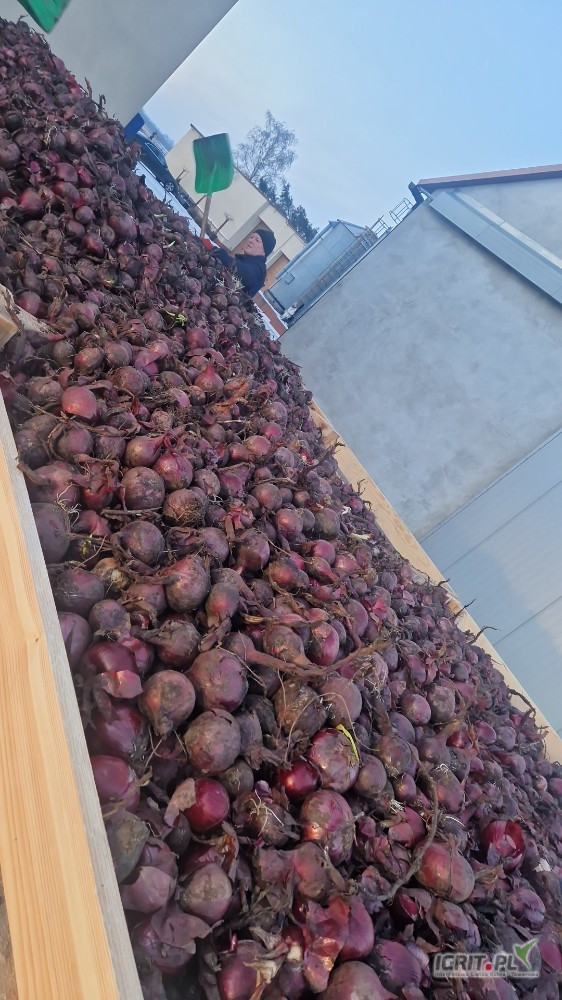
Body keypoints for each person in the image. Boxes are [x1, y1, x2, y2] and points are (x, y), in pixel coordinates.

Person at [208, 229, 276, 297]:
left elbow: (242, 272)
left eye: (257, 240)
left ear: (264, 251)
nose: (251, 241)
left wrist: (217, 252)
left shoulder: (259, 270)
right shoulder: (244, 260)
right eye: (251, 237)